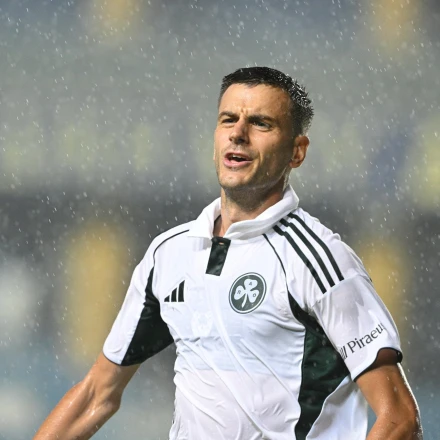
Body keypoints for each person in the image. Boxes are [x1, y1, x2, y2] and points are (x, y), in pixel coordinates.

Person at [34, 67, 422, 440]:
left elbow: (400, 419)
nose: (238, 133)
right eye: (228, 119)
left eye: (261, 123)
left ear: (297, 152)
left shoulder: (319, 260)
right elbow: (97, 395)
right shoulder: (168, 255)